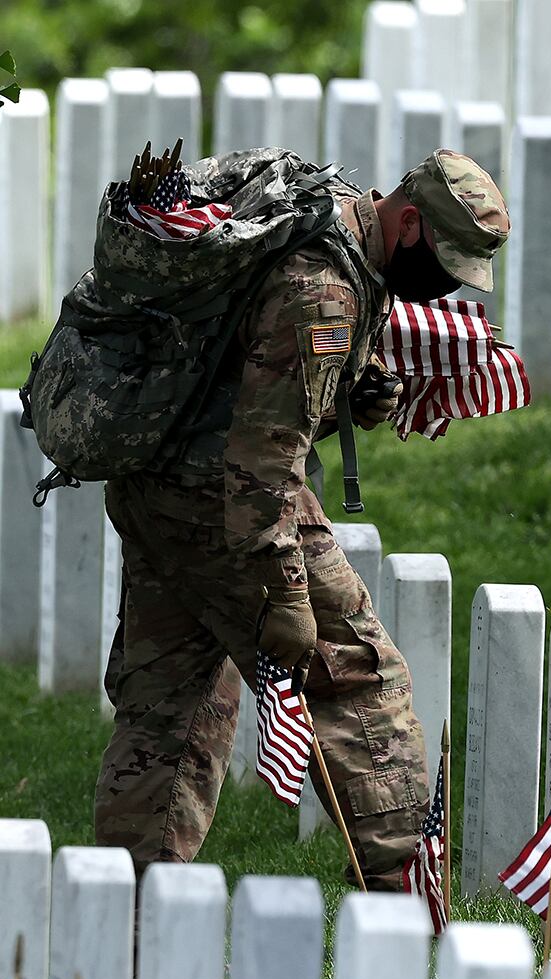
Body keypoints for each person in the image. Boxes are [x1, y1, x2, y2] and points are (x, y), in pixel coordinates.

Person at [93, 149, 510, 893]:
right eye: (443, 260)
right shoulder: (323, 288)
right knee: (360, 681)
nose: (445, 283)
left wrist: (354, 393)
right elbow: (263, 458)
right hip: (222, 502)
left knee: (170, 710)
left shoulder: (333, 221)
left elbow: (252, 377)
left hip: (157, 484)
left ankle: (126, 917)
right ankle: (403, 906)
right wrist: (286, 591)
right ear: (408, 219)